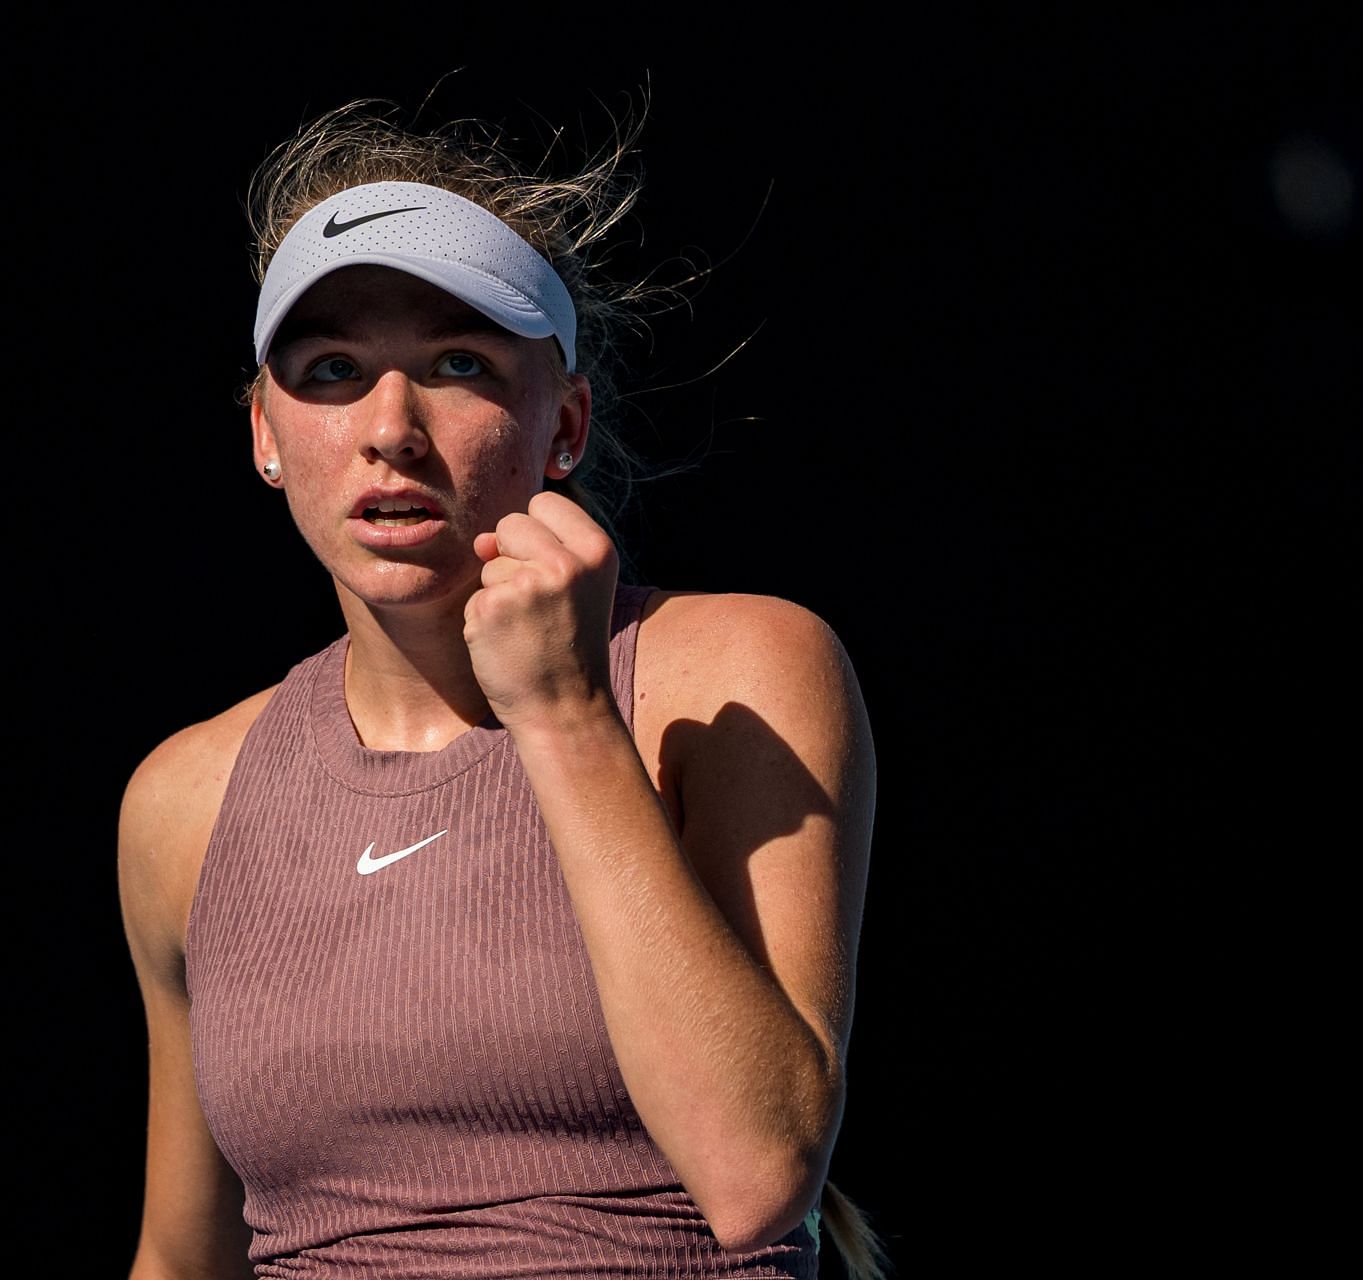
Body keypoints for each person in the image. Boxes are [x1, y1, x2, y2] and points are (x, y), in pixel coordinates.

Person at [116, 96, 887, 1279]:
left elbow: (761, 1173)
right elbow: (181, 1256)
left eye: (458, 364)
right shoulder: (185, 797)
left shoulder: (733, 671)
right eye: (332, 370)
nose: (390, 428)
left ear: (563, 421)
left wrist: (566, 712)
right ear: (266, 435)